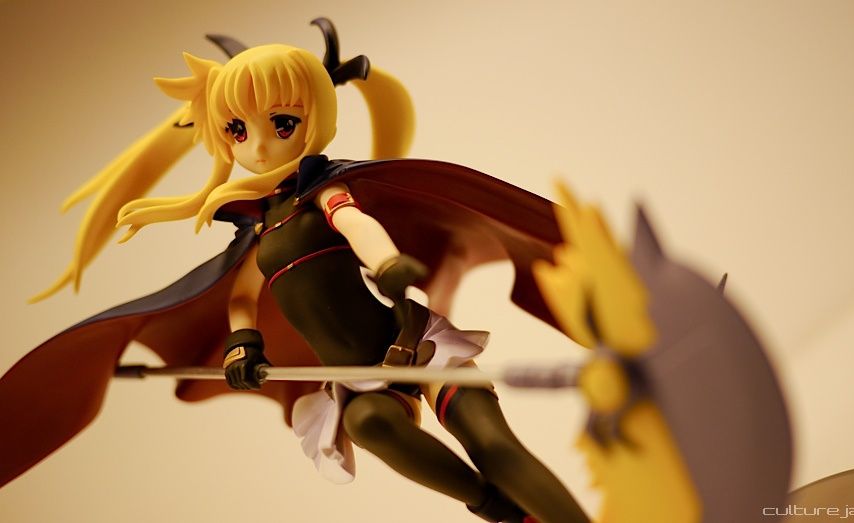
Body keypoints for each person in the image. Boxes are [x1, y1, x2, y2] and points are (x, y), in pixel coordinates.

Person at [7, 20, 589, 523]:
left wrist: (387, 264)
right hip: (357, 377)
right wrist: (242, 343)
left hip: (413, 346)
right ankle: (498, 508)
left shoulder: (324, 193)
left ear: (314, 118)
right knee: (370, 425)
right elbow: (243, 295)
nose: (259, 146)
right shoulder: (259, 229)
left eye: (281, 123)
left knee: (494, 446)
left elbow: (356, 225)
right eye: (239, 130)